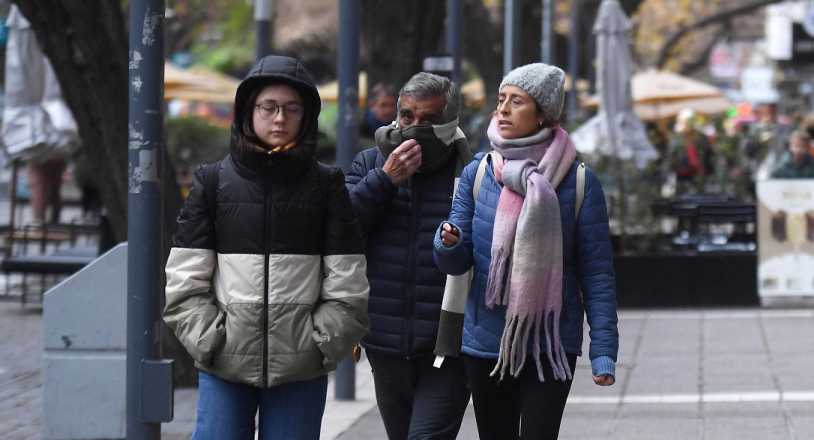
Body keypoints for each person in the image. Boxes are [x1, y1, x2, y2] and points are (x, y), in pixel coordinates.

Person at [163, 55, 370, 439]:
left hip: (301, 368)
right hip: (225, 364)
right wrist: (211, 340)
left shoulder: (326, 186)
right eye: (268, 107)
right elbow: (184, 281)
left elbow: (348, 282)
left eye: (292, 109)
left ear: (306, 115)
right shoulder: (212, 182)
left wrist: (319, 344)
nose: (279, 118)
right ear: (248, 111)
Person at [433, 63, 619, 440]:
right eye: (501, 99)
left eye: (516, 101)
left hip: (551, 345)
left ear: (543, 114)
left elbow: (597, 273)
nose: (502, 109)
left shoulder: (579, 182)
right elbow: (455, 261)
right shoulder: (480, 173)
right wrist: (447, 241)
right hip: (486, 345)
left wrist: (603, 349)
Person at [346, 72, 472, 440]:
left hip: (448, 345)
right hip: (385, 341)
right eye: (407, 117)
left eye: (429, 120)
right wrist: (385, 179)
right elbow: (342, 229)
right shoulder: (370, 163)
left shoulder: (470, 171)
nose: (416, 128)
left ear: (449, 123)